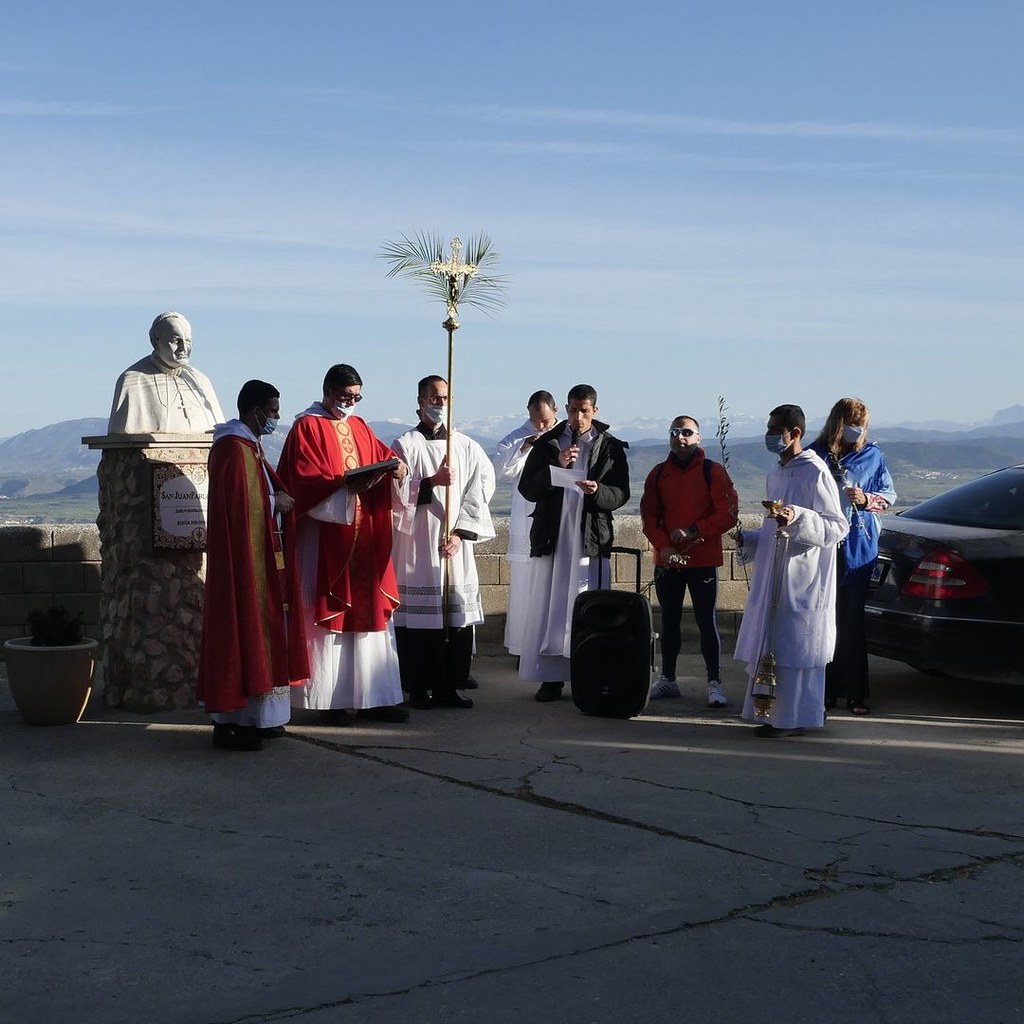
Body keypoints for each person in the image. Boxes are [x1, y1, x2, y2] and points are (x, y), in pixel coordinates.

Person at [275, 364, 410, 725]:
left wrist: (397, 469)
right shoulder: (306, 427)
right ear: (327, 391)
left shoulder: (361, 426)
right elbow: (301, 481)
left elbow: (383, 459)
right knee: (328, 623)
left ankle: (376, 697)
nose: (350, 403)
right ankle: (330, 701)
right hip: (326, 539)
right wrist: (345, 487)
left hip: (365, 538)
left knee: (371, 623)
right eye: (345, 396)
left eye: (356, 397)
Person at [196, 380, 308, 751]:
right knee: (241, 633)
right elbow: (243, 506)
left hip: (261, 557)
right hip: (242, 562)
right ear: (256, 410)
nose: (276, 417)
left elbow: (261, 493)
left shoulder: (250, 446)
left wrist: (279, 501)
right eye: (273, 411)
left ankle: (262, 720)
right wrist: (278, 505)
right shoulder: (231, 448)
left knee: (266, 632)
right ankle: (232, 723)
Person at [735, 404, 849, 737]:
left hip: (803, 577)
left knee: (795, 649)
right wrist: (753, 539)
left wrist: (798, 517)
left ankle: (796, 717)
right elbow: (775, 528)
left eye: (775, 430)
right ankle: (767, 712)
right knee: (772, 646)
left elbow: (837, 527)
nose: (769, 436)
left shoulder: (815, 471)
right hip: (774, 576)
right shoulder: (776, 472)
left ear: (794, 432)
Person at [517, 383, 630, 702]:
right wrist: (556, 470)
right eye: (571, 409)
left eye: (583, 410)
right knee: (550, 607)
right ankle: (550, 677)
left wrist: (598, 492)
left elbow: (620, 492)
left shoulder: (609, 446)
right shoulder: (549, 444)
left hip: (588, 540)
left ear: (595, 410)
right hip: (553, 537)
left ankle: (588, 675)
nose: (577, 417)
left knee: (586, 609)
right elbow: (528, 489)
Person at [390, 375, 495, 709]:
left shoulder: (466, 446)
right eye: (433, 398)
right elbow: (392, 493)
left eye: (445, 398)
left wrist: (461, 534)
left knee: (454, 620)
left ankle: (450, 686)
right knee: (421, 622)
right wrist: (431, 482)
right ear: (420, 400)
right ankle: (418, 689)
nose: (439, 404)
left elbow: (481, 489)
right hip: (418, 545)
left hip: (453, 547)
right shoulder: (404, 445)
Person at [640, 415, 738, 707]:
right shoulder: (658, 474)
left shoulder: (713, 472)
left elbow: (728, 513)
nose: (679, 437)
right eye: (674, 432)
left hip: (703, 561)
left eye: (686, 432)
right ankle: (668, 679)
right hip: (668, 561)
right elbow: (649, 517)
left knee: (706, 621)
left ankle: (714, 683)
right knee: (668, 621)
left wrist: (695, 530)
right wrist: (664, 546)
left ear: (698, 438)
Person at [810, 398, 897, 715]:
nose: (855, 431)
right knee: (824, 618)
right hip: (823, 545)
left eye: (860, 426)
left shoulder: (873, 455)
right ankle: (825, 689)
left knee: (851, 621)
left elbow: (888, 496)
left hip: (859, 546)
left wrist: (866, 498)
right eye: (850, 425)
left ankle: (856, 692)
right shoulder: (816, 455)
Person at [491, 390, 559, 656]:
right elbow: (499, 472)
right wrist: (525, 447)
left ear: (555, 411)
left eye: (544, 420)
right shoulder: (515, 438)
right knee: (524, 585)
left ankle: (551, 646)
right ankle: (523, 648)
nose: (540, 425)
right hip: (526, 516)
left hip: (555, 515)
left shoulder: (564, 436)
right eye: (535, 419)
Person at [107, 312, 225, 433]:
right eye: (175, 341)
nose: (184, 348)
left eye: (188, 341)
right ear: (155, 342)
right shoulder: (133, 382)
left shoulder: (201, 381)